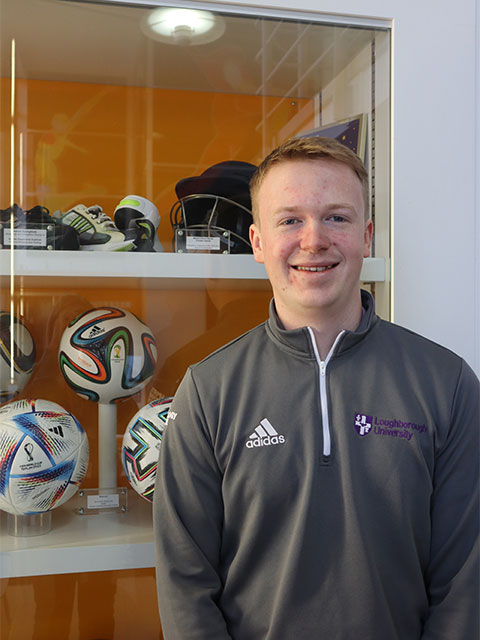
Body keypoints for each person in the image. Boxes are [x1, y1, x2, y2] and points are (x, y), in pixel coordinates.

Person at [153, 136, 479, 639]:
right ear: (258, 242)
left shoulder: (448, 383)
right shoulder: (207, 391)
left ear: (366, 236)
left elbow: (464, 585)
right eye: (290, 220)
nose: (313, 240)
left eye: (336, 217)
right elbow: (185, 588)